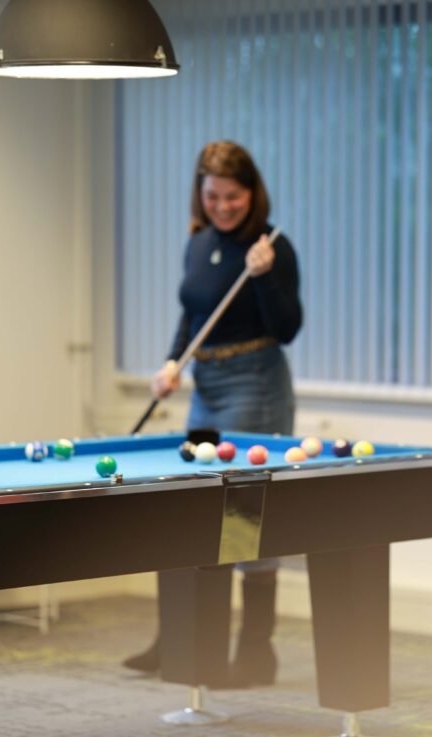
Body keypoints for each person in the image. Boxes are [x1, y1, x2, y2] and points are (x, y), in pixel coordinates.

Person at [124, 140, 302, 687]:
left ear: (252, 193)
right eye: (213, 195)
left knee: (244, 520)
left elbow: (288, 327)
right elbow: (193, 312)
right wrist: (172, 362)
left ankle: (255, 652)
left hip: (256, 382)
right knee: (194, 510)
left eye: (234, 195)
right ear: (200, 195)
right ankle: (179, 637)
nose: (224, 205)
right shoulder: (198, 243)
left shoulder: (272, 246)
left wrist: (267, 275)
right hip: (206, 384)